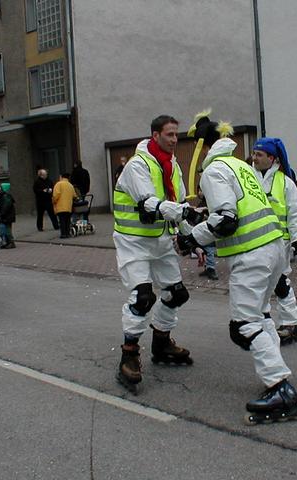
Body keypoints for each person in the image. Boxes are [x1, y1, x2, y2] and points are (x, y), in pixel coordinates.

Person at [176, 111, 297, 425]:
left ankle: (280, 388)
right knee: (261, 315)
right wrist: (203, 216)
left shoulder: (213, 170)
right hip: (273, 247)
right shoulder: (241, 166)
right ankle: (276, 375)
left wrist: (192, 238)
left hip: (251, 253)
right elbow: (237, 208)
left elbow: (226, 220)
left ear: (203, 147)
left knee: (244, 324)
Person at [112, 115, 201, 394]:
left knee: (177, 294)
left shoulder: (172, 166)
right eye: (169, 134)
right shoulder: (138, 165)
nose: (175, 140)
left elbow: (177, 203)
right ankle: (128, 354)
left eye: (176, 135)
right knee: (142, 298)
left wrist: (192, 238)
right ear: (155, 135)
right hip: (134, 242)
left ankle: (161, 342)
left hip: (160, 241)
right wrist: (185, 213)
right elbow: (150, 203)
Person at [251, 137, 297, 345]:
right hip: (254, 242)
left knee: (280, 283)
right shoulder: (248, 178)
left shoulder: (285, 183)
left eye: (259, 154)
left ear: (272, 158)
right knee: (257, 284)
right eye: (254, 154)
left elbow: (295, 212)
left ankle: (290, 324)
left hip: (280, 243)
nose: (254, 158)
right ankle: (259, 323)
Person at [195, 185, 218, 280]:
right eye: (199, 190)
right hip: (202, 231)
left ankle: (211, 268)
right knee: (204, 250)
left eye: (202, 190)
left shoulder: (210, 203)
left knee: (209, 250)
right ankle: (207, 267)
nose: (200, 193)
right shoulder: (201, 204)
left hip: (209, 231)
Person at [52, 172, 77, 239]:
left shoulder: (58, 184)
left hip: (61, 206)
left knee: (62, 220)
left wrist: (53, 201)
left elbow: (56, 195)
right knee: (67, 220)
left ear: (61, 177)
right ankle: (67, 233)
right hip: (68, 206)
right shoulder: (70, 185)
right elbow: (74, 195)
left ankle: (63, 234)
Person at [0, 182, 16, 249]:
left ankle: (11, 242)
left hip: (7, 216)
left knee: (7, 229)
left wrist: (1, 214)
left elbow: (5, 207)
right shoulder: (3, 196)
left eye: (0, 187)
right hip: (7, 215)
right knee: (5, 229)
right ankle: (7, 242)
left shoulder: (6, 196)